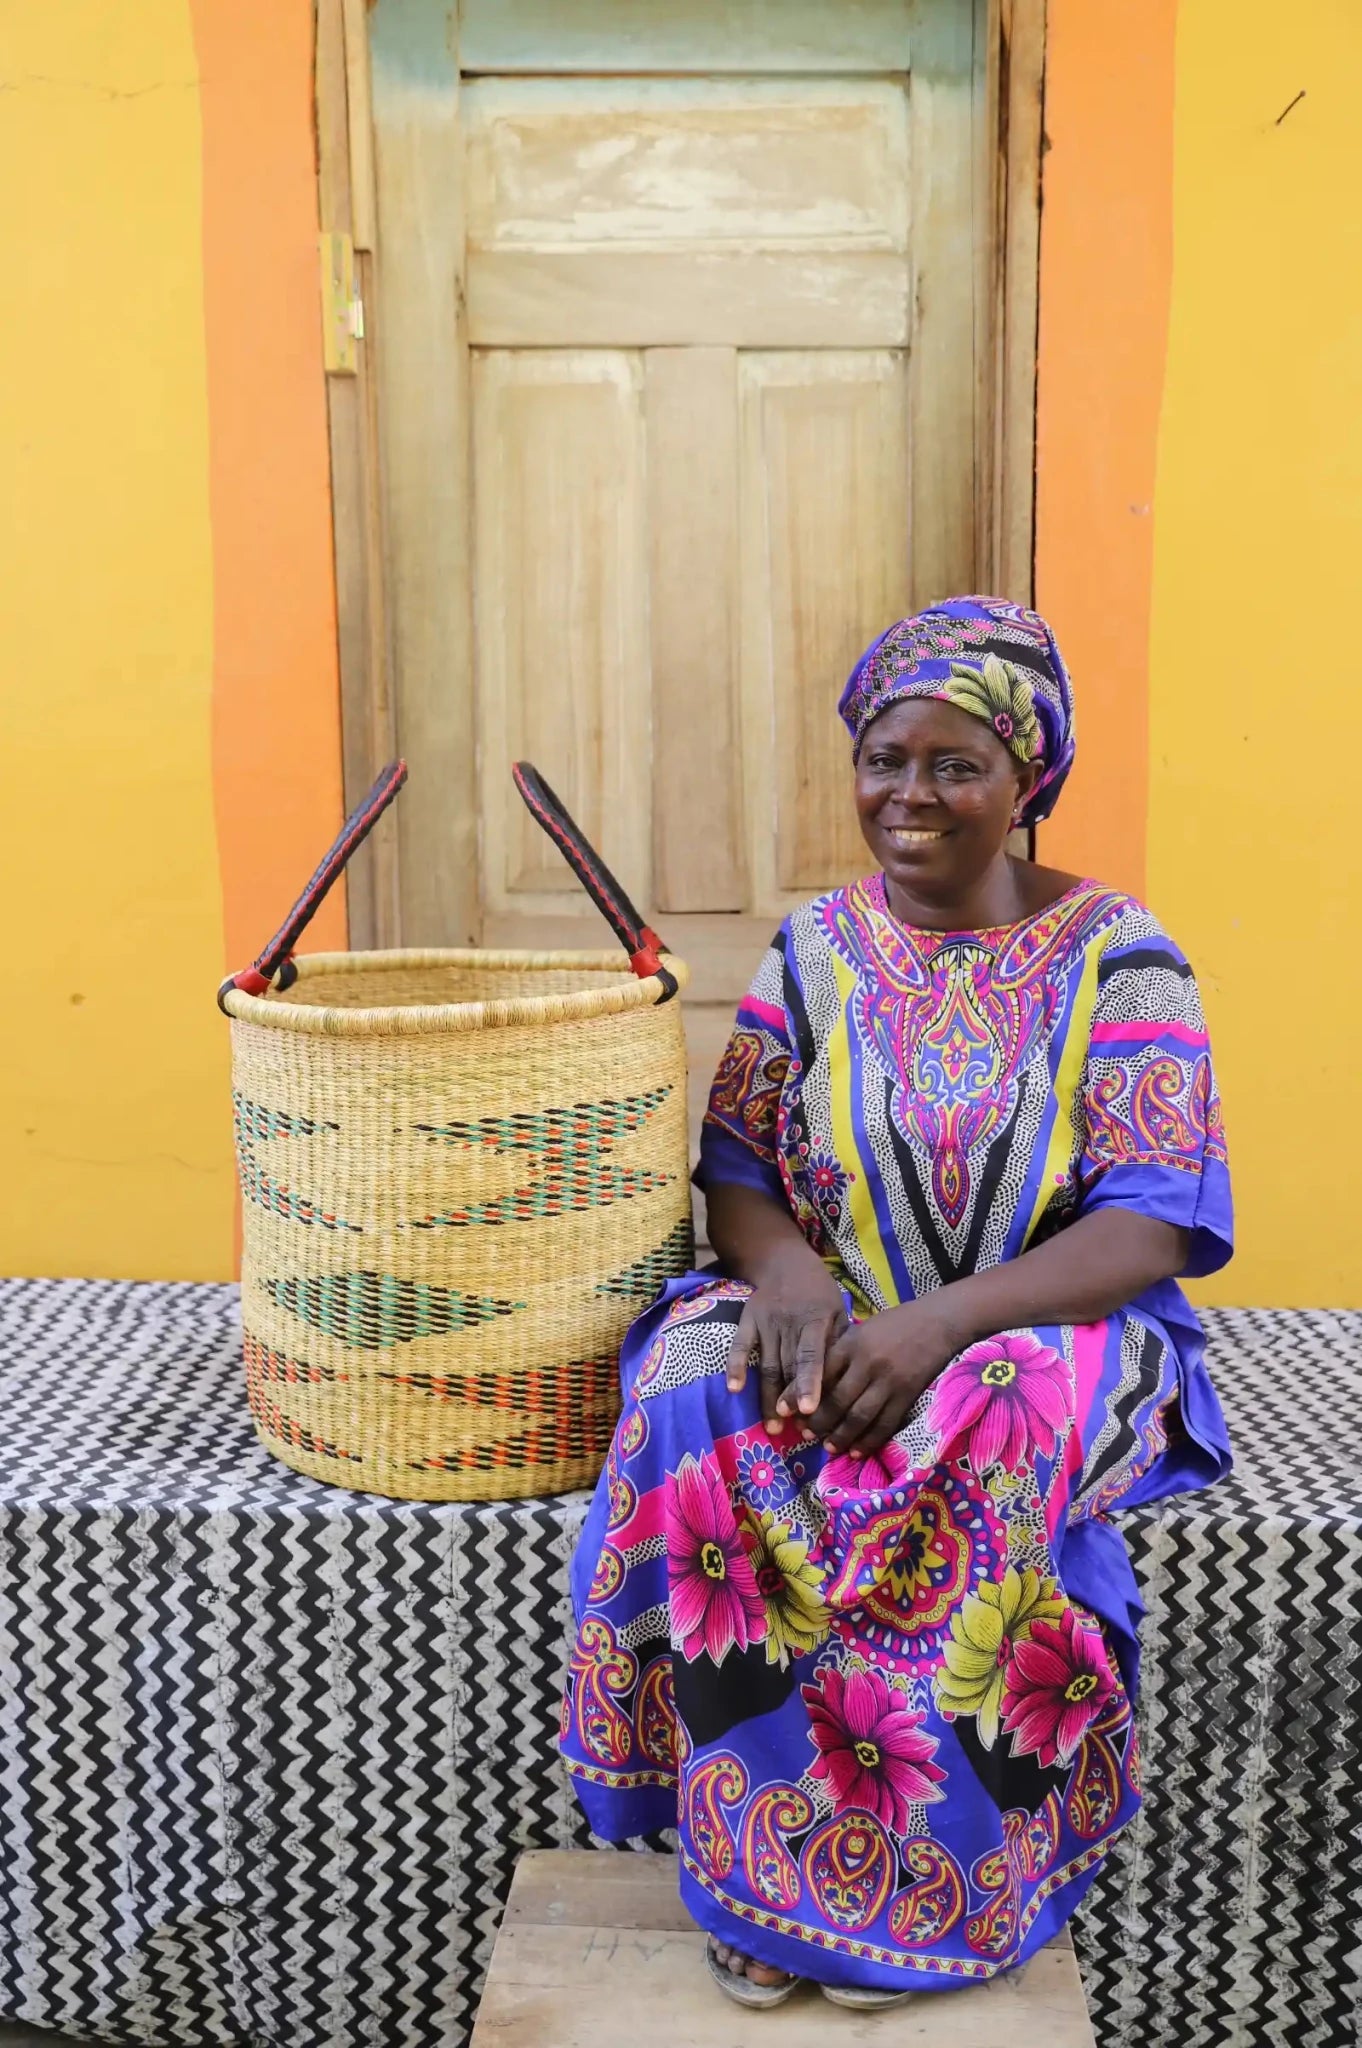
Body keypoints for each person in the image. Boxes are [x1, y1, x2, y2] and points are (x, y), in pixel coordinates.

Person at [560, 596, 1231, 2009]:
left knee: (981, 1418)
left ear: (1022, 781)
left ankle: (929, 1888)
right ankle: (761, 1859)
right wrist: (789, 1275)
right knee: (693, 1382)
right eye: (883, 758)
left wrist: (944, 1325)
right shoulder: (814, 951)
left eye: (952, 765)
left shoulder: (1122, 954)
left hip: (1049, 1329)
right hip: (848, 1306)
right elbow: (736, 1167)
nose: (906, 796)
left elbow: (1153, 1219)